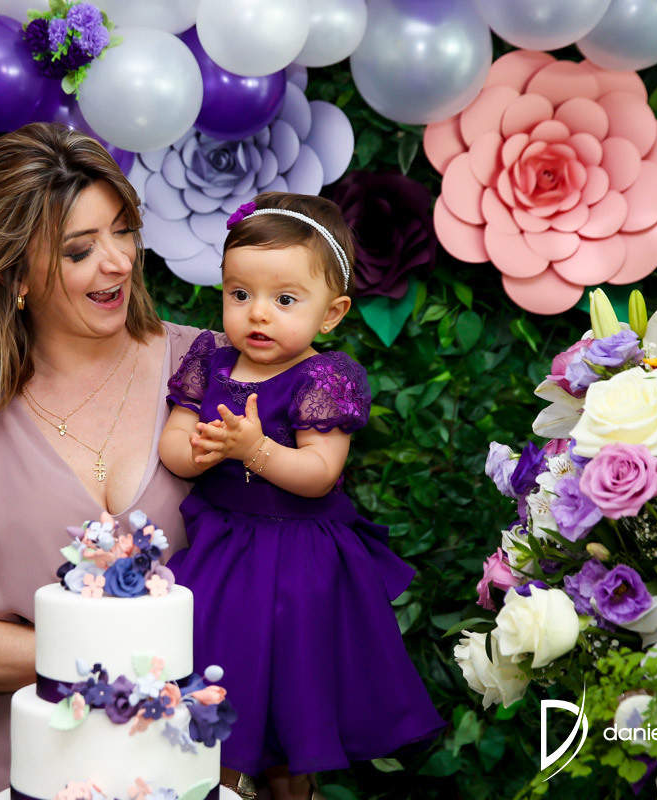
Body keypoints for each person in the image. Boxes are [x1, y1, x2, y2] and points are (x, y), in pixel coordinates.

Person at [0, 123, 210, 798]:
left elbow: (295, 564)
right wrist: (130, 660)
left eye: (123, 232)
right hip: (39, 773)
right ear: (14, 275)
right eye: (80, 250)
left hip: (206, 761)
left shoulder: (212, 369)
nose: (119, 262)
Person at [159, 192, 446, 800]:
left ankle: (295, 789)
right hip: (223, 551)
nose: (258, 314)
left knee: (293, 690)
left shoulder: (323, 376)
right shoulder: (211, 363)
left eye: (285, 300)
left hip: (300, 562)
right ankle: (221, 784)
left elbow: (319, 472)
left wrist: (253, 449)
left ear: (331, 313)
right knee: (220, 680)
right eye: (240, 294)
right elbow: (174, 444)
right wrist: (200, 451)